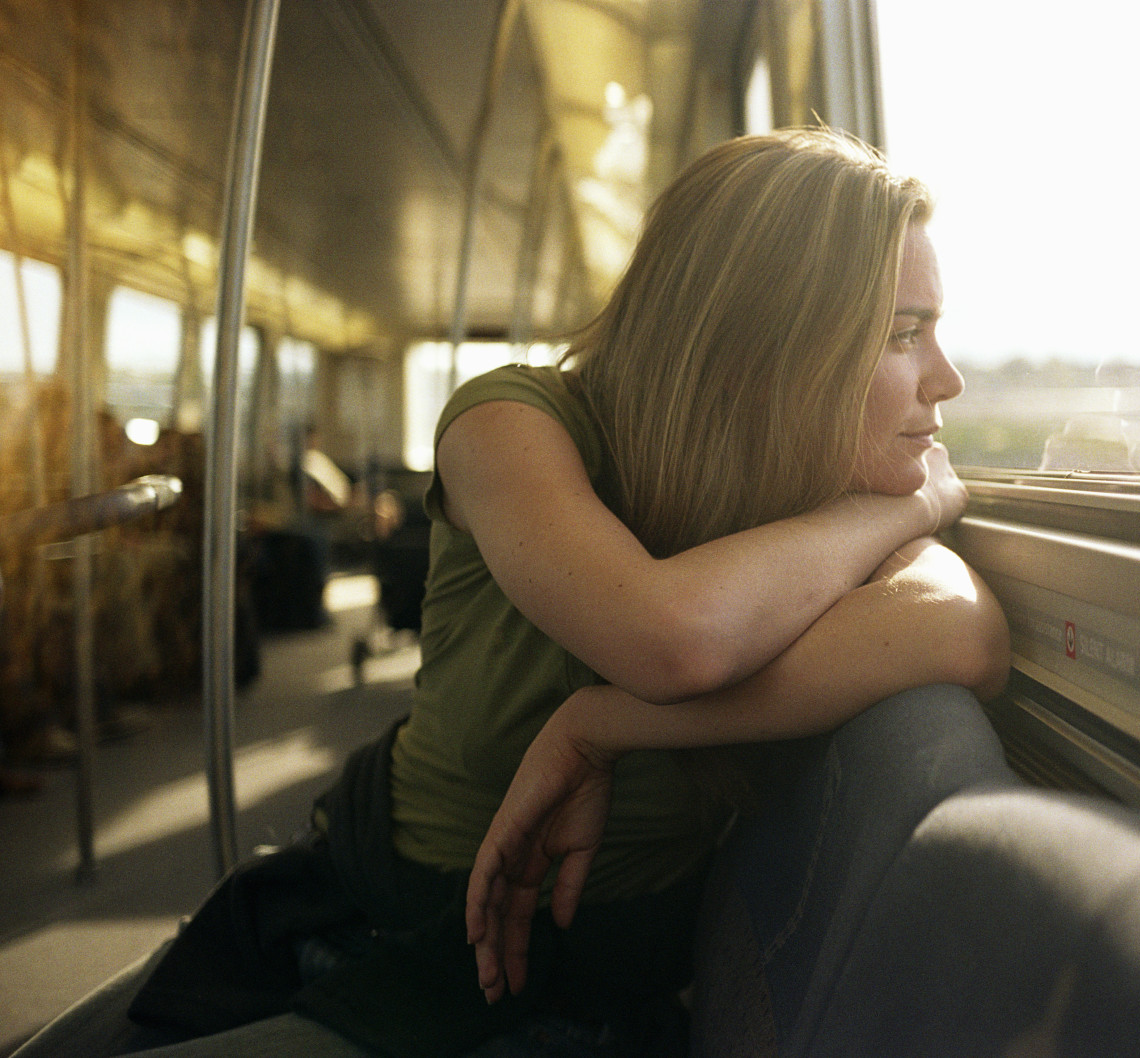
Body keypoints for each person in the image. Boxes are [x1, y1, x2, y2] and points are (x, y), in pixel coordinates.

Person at [14, 127, 1009, 1058]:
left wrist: (606, 726)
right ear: (767, 343)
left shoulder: (817, 508)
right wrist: (912, 502)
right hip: (390, 910)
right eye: (903, 333)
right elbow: (670, 634)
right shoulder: (511, 421)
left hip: (592, 988)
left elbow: (967, 631)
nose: (948, 378)